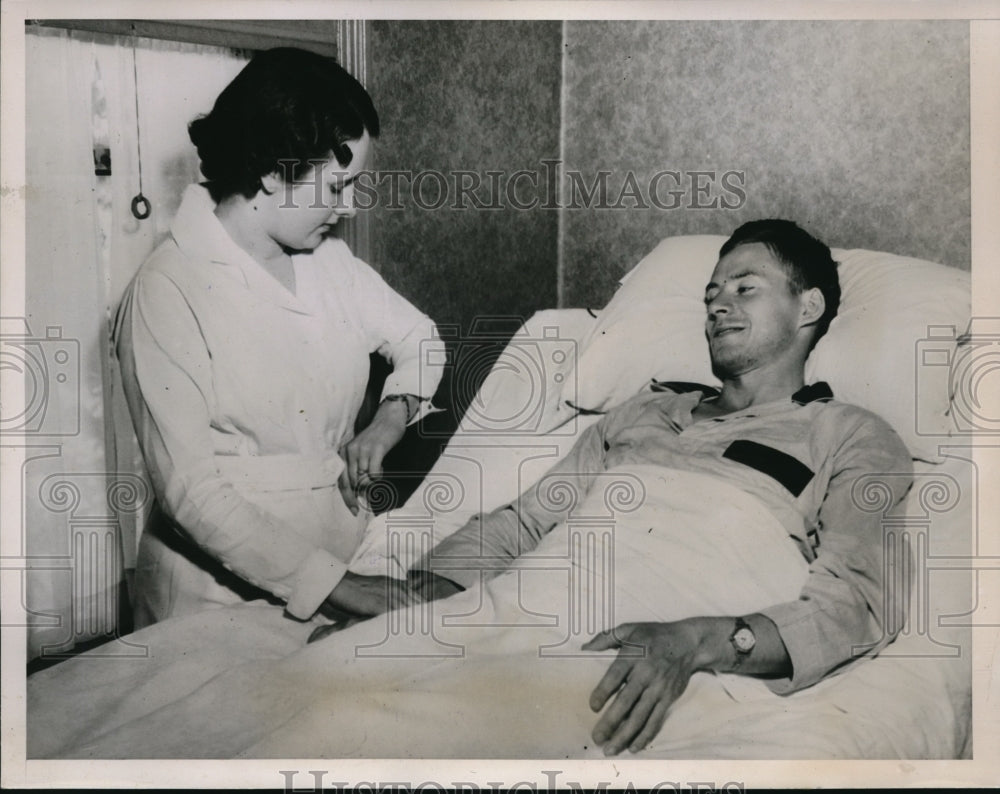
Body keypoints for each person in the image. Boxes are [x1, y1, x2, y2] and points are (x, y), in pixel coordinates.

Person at [321, 219, 914, 756]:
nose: (718, 306)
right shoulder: (646, 411)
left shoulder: (851, 433)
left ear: (807, 305)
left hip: (644, 642)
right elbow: (531, 519)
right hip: (534, 606)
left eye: (744, 288)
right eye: (711, 294)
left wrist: (701, 641)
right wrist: (430, 591)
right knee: (335, 694)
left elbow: (857, 601)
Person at [115, 48, 442, 629]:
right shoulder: (167, 289)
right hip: (214, 598)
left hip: (347, 563)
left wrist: (391, 417)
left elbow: (421, 337)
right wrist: (338, 586)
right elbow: (191, 492)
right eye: (336, 186)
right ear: (272, 170)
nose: (347, 208)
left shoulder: (331, 264)